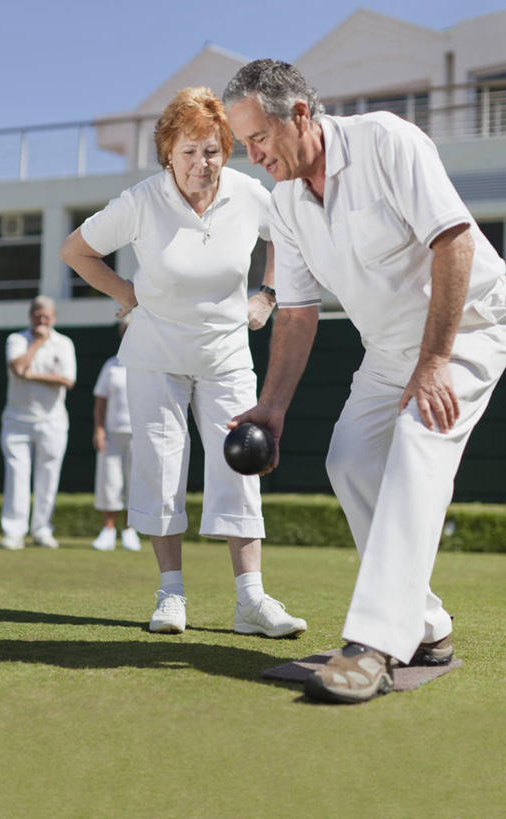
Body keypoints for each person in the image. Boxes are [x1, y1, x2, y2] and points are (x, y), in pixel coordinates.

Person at [224, 60, 506, 702]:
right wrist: (272, 408)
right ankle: (427, 626)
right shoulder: (286, 204)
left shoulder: (387, 141)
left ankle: (375, 644)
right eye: (245, 144)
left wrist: (433, 362)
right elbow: (297, 313)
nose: (253, 155)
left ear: (300, 115)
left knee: (418, 445)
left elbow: (455, 242)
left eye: (258, 138)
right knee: (350, 460)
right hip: (388, 348)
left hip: (464, 328)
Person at [60, 86, 306, 638]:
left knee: (241, 466)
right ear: (168, 153)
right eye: (188, 151)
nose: (201, 163)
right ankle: (170, 595)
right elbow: (75, 250)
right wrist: (126, 294)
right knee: (161, 467)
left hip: (226, 355)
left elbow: (289, 236)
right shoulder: (141, 200)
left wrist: (267, 294)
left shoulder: (247, 193)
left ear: (227, 150)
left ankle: (251, 601)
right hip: (155, 356)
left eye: (212, 150)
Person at [0, 296, 76, 550]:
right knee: (16, 476)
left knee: (49, 477)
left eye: (46, 316)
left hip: (53, 421)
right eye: (37, 315)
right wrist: (37, 343)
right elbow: (18, 368)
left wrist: (32, 375)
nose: (42, 321)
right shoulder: (16, 339)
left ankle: (42, 530)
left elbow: (67, 380)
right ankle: (14, 532)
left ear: (53, 318)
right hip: (17, 420)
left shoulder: (64, 343)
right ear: (30, 316)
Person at [92, 318, 141, 552]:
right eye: (126, 331)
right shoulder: (111, 365)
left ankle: (130, 531)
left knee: (135, 482)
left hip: (139, 435)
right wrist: (98, 429)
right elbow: (100, 401)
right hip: (112, 434)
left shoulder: (148, 365)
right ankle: (108, 531)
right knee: (110, 482)